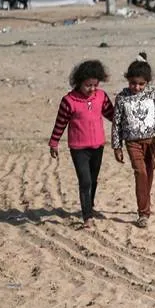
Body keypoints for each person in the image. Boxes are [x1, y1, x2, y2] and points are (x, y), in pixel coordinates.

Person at [48, 60, 115, 230]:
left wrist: (128, 123)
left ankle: (89, 206)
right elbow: (60, 123)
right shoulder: (68, 101)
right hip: (79, 149)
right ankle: (87, 216)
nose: (92, 89)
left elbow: (113, 115)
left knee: (93, 180)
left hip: (98, 146)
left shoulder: (101, 96)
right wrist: (54, 142)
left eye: (95, 85)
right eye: (88, 85)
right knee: (85, 181)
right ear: (79, 82)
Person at [111, 56, 155, 229]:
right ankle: (143, 213)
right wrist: (117, 146)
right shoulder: (122, 98)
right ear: (128, 80)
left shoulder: (154, 95)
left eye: (141, 84)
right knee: (140, 172)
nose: (137, 87)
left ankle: (145, 199)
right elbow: (116, 123)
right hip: (132, 142)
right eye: (133, 83)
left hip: (150, 140)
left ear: (147, 82)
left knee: (149, 171)